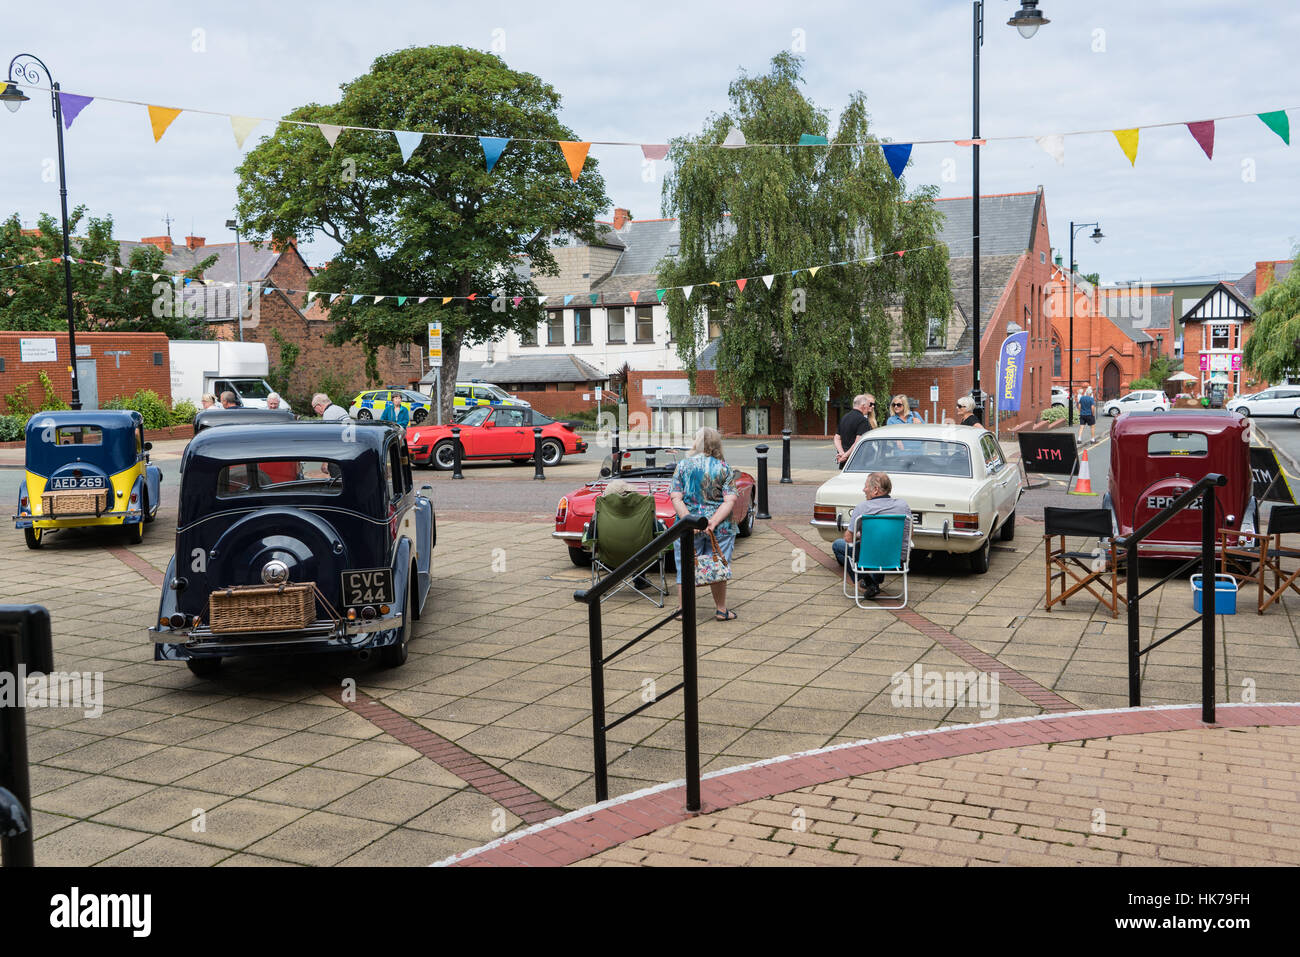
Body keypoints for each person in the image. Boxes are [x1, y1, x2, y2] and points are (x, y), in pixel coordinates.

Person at [669, 427, 740, 622]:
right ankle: (721, 610)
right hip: (721, 527)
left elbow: (676, 497)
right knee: (718, 565)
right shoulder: (723, 467)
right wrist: (713, 522)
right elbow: (730, 499)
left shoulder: (682, 466)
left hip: (687, 528)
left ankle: (683, 610)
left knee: (684, 567)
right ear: (716, 444)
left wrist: (689, 521)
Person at [831, 471, 913, 599]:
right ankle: (874, 581)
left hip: (869, 557)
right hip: (897, 559)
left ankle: (870, 583)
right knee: (881, 548)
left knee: (838, 545)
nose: (863, 490)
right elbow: (909, 533)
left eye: (866, 486)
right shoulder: (903, 506)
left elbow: (848, 538)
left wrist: (862, 535)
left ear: (875, 490)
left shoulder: (862, 508)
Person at [834, 394, 877, 468]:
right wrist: (846, 455)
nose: (869, 407)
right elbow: (858, 442)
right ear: (863, 405)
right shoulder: (863, 420)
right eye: (868, 405)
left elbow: (837, 438)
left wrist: (842, 453)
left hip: (844, 462)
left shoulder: (844, 417)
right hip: (858, 461)